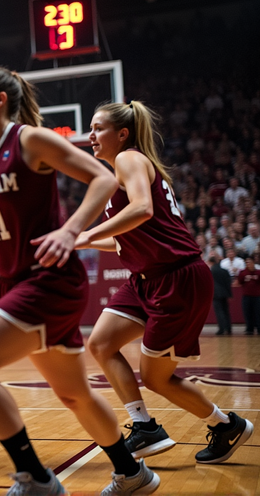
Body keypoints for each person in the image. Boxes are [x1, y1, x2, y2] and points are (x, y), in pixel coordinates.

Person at [0, 65, 157, 495]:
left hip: (49, 279)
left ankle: (35, 477)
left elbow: (103, 178)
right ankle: (132, 472)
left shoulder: (30, 140)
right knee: (74, 394)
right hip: (14, 281)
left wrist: (71, 230)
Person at [80, 101, 253, 465]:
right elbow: (125, 237)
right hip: (146, 279)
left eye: (98, 128)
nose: (90, 135)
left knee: (156, 378)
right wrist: (79, 241)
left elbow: (142, 209)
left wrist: (86, 233)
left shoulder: (128, 158)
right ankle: (144, 426)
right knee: (101, 343)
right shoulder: (122, 171)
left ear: (122, 134)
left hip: (177, 277)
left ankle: (225, 425)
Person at [210, 254, 233, 335]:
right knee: (226, 311)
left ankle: (222, 329)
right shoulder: (224, 271)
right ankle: (229, 328)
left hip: (216, 294)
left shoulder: (211, 270)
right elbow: (228, 283)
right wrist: (230, 294)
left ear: (211, 262)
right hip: (225, 293)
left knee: (219, 312)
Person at [239, 257, 260, 335]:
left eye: (250, 262)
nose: (248, 264)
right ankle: (249, 329)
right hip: (246, 296)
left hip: (257, 296)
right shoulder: (243, 272)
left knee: (258, 313)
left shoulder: (258, 272)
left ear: (253, 263)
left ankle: (259, 328)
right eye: (247, 263)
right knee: (247, 313)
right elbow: (240, 281)